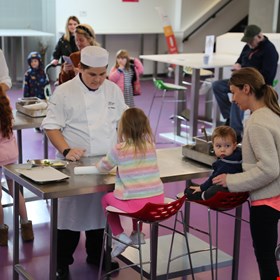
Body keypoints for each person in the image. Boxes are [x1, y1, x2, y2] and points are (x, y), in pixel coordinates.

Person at [41, 46, 128, 280]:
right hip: (76, 167)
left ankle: (97, 256)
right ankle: (62, 264)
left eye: (102, 74)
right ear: (80, 68)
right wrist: (66, 149)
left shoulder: (112, 90)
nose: (98, 80)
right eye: (92, 75)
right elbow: (51, 126)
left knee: (102, 215)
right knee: (69, 220)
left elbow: (123, 121)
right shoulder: (64, 92)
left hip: (107, 166)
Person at [212, 67, 280, 280]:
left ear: (247, 89)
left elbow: (269, 168)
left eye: (234, 92)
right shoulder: (273, 113)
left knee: (266, 260)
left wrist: (231, 180)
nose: (232, 99)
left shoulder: (257, 123)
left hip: (267, 201)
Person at [96, 108, 164, 257]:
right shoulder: (150, 145)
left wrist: (97, 165)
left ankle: (120, 236)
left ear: (122, 128)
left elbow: (103, 167)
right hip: (158, 202)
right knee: (137, 193)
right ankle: (137, 233)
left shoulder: (120, 149)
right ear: (145, 126)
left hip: (137, 206)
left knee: (106, 200)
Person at [212, 24, 279, 142]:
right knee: (217, 85)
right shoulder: (248, 47)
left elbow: (267, 76)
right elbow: (239, 60)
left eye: (251, 41)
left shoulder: (270, 51)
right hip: (241, 81)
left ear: (259, 36)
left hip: (257, 85)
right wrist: (237, 65)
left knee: (239, 95)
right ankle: (230, 118)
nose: (249, 44)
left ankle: (235, 132)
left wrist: (244, 70)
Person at [0, 85, 34, 246]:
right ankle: (26, 227)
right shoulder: (6, 105)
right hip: (11, 153)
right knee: (16, 190)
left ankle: (1, 232)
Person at [184, 126, 242, 201]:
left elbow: (213, 179)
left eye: (227, 146)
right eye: (218, 146)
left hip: (227, 194)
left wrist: (201, 188)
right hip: (240, 194)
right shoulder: (239, 156)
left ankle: (202, 196)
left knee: (213, 189)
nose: (222, 150)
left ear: (234, 146)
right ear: (213, 147)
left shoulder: (225, 164)